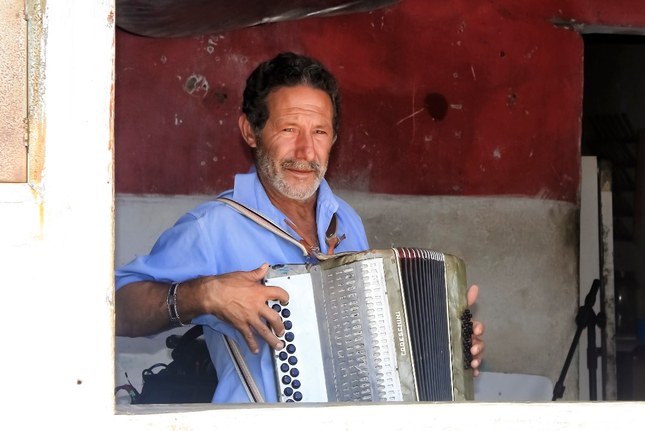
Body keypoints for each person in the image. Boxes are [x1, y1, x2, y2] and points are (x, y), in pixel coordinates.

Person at [115, 52, 485, 403]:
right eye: (289, 128)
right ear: (250, 131)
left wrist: (444, 345)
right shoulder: (213, 227)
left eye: (320, 132)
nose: (306, 151)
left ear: (334, 140)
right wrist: (203, 295)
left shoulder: (345, 221)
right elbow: (113, 308)